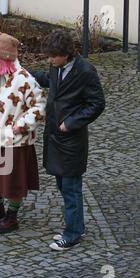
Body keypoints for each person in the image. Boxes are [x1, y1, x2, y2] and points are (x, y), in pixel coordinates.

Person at [29, 30, 105, 251]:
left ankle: (71, 235)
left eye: (53, 56)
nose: (50, 60)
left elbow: (97, 103)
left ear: (66, 54)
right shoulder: (57, 67)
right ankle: (77, 226)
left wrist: (71, 122)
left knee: (71, 186)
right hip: (55, 136)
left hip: (71, 139)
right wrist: (25, 73)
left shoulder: (85, 71)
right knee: (63, 184)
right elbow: (48, 79)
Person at [0, 32, 46, 234]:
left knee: (12, 181)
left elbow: (40, 105)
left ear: (7, 60)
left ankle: (12, 216)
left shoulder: (24, 80)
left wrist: (22, 124)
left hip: (15, 140)